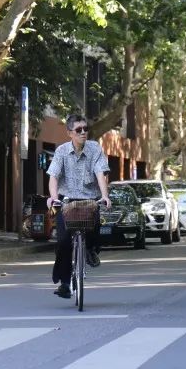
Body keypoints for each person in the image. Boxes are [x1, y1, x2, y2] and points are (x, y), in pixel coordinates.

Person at [46, 114, 111, 299]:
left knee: (96, 225)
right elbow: (54, 177)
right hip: (65, 200)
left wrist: (104, 196)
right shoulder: (61, 151)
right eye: (78, 130)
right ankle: (65, 283)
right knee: (63, 241)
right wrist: (53, 198)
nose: (83, 133)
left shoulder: (95, 148)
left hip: (90, 199)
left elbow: (100, 173)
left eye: (85, 129)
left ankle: (90, 250)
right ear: (69, 133)